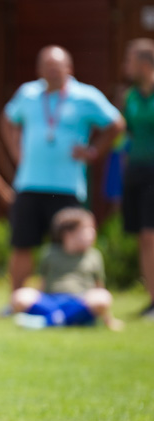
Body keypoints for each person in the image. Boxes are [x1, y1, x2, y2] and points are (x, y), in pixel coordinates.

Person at [0, 45, 125, 299]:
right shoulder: (28, 93)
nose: (53, 73)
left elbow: (116, 124)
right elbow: (7, 119)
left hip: (67, 186)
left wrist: (93, 152)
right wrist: (15, 150)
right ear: (39, 70)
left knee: (69, 245)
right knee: (22, 244)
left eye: (57, 68)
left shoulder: (85, 96)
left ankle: (72, 296)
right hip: (29, 183)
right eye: (47, 68)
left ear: (69, 69)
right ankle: (16, 301)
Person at [11, 207, 123, 331]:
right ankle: (68, 319)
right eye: (87, 229)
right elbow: (41, 284)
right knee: (20, 296)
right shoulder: (49, 253)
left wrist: (108, 320)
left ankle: (48, 322)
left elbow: (99, 286)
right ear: (68, 234)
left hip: (80, 302)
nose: (93, 233)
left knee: (103, 297)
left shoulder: (94, 256)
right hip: (51, 302)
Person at [121, 38, 154, 320]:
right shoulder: (130, 96)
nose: (125, 67)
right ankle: (152, 301)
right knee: (144, 237)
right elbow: (128, 135)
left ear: (145, 63)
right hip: (137, 172)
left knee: (150, 234)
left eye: (129, 61)